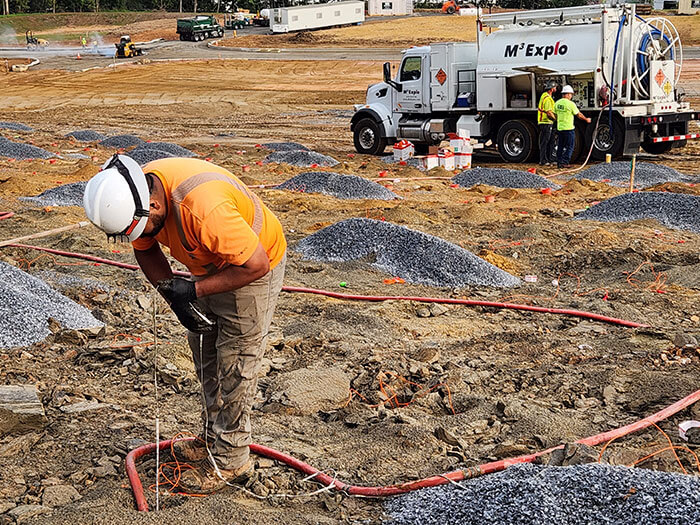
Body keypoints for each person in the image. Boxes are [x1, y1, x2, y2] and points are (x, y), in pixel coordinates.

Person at [83, 155, 287, 494]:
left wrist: (192, 290)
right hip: (208, 260)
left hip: (251, 266)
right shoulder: (130, 194)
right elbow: (145, 250)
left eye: (140, 228)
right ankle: (211, 438)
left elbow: (255, 265)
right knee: (205, 348)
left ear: (154, 205)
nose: (140, 236)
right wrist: (174, 296)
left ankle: (231, 459)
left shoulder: (205, 209)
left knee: (236, 360)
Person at [554, 85, 591, 169]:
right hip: (568, 128)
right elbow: (579, 115)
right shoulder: (570, 104)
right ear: (566, 94)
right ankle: (565, 162)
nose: (571, 96)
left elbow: (554, 115)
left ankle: (559, 163)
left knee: (560, 146)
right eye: (570, 94)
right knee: (570, 146)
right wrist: (586, 119)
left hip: (560, 128)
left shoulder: (557, 103)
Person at [537, 80, 558, 166]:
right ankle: (543, 160)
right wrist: (556, 119)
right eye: (555, 87)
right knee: (545, 142)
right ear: (552, 89)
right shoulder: (548, 99)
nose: (556, 88)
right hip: (546, 122)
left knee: (550, 141)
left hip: (547, 122)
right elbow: (549, 112)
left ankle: (550, 159)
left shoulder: (545, 96)